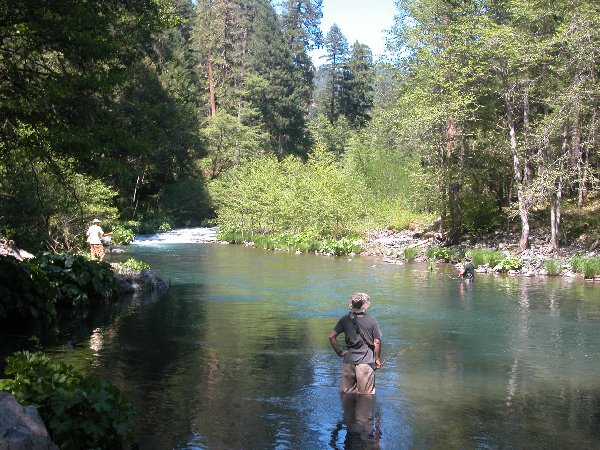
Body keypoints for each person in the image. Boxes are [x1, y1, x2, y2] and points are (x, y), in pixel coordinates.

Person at [328, 293, 382, 395]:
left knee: (347, 396)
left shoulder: (345, 319)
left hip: (348, 362)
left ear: (352, 305)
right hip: (366, 363)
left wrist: (339, 352)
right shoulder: (372, 320)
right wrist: (377, 359)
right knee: (366, 396)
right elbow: (377, 342)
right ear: (365, 306)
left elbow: (331, 337)